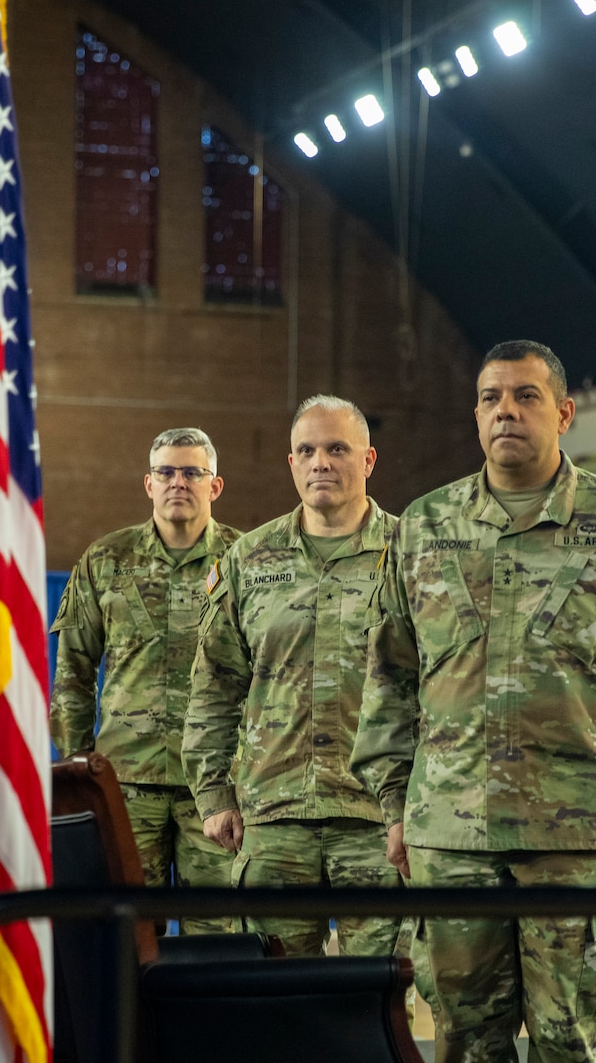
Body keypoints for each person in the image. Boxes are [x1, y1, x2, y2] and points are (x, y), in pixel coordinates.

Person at [352, 340, 596, 1063]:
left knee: (568, 1042)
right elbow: (388, 678)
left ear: (565, 413)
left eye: (525, 397)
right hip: (449, 835)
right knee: (462, 1042)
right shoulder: (424, 525)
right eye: (491, 398)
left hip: (576, 837)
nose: (505, 411)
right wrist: (396, 809)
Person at [185, 395, 403, 957]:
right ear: (290, 463)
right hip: (273, 817)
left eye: (337, 449)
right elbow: (215, 686)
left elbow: (443, 688)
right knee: (278, 1001)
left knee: (378, 998)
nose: (320, 462)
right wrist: (213, 796)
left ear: (369, 460)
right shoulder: (250, 559)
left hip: (378, 820)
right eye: (306, 450)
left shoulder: (411, 555)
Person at [50, 427, 242, 933]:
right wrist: (78, 770)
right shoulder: (105, 561)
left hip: (217, 792)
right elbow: (73, 673)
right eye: (166, 472)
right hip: (126, 787)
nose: (178, 481)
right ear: (149, 484)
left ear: (214, 486)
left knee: (217, 937)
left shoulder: (250, 561)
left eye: (191, 472)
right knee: (127, 938)